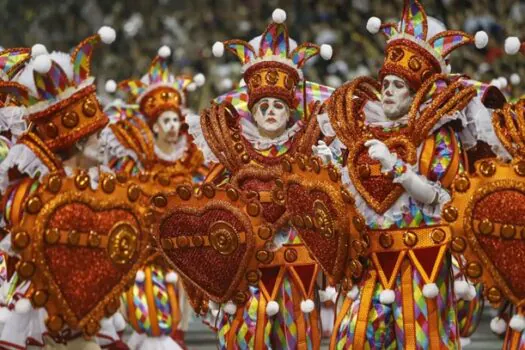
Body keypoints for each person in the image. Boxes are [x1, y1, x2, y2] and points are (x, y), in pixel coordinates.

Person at [313, 0, 495, 348]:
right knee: (352, 338)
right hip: (370, 263)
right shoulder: (363, 132)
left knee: (422, 340)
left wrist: (397, 169)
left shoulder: (438, 134)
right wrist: (330, 170)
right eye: (387, 83)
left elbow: (441, 199)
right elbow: (350, 199)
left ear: (415, 92)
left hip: (422, 263)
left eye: (398, 85)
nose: (389, 90)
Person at [187, 8, 334, 349]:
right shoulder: (230, 152)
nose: (270, 111)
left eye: (279, 106)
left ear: (290, 111)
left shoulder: (311, 149)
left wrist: (326, 176)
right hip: (247, 274)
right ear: (251, 111)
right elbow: (212, 210)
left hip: (299, 273)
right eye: (263, 105)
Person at [0, 28, 128, 350]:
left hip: (87, 301)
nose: (103, 143)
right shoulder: (36, 188)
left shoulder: (104, 181)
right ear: (79, 141)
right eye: (96, 136)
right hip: (43, 301)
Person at [101, 47, 208, 350]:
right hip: (147, 249)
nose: (173, 126)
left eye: (176, 119)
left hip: (182, 248)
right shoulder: (138, 159)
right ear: (154, 126)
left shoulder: (193, 157)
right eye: (166, 121)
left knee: (178, 313)